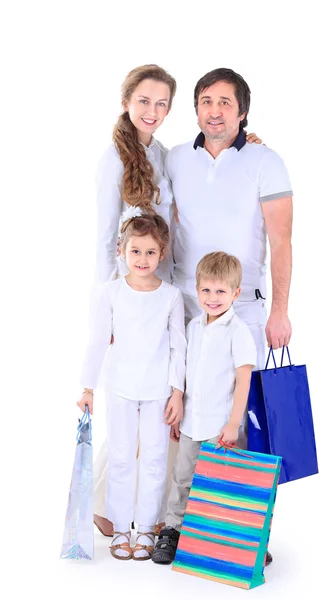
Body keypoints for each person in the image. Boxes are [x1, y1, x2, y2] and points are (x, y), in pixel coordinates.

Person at [92, 64, 262, 537]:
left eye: (161, 103)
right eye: (144, 101)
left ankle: (170, 513)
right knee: (140, 399)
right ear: (127, 101)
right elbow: (105, 238)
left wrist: (250, 143)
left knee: (174, 403)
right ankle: (109, 505)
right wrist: (108, 308)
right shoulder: (115, 159)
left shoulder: (166, 155)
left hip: (179, 296)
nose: (152, 111)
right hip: (134, 301)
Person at [154, 67, 293, 566]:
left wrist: (279, 311)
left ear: (242, 112)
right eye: (206, 101)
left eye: (225, 103)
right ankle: (177, 522)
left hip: (248, 310)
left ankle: (245, 527)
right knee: (185, 421)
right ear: (196, 109)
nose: (214, 111)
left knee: (243, 423)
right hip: (186, 309)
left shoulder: (265, 160)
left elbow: (281, 241)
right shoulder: (176, 160)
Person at [78, 211, 187, 560]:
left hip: (158, 392)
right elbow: (97, 341)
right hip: (121, 387)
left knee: (155, 459)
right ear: (122, 250)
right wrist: (87, 387)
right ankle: (121, 528)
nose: (142, 259)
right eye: (135, 251)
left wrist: (177, 391)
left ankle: (146, 529)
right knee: (123, 457)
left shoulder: (170, 296)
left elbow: (178, 348)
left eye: (150, 252)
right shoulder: (109, 293)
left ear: (163, 252)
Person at [152, 252, 259, 565]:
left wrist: (233, 423)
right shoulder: (194, 327)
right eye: (206, 291)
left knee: (219, 484)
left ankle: (229, 538)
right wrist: (180, 413)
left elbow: (244, 382)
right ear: (196, 290)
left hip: (219, 426)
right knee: (182, 478)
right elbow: (188, 374)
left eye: (221, 292)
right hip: (191, 424)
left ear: (235, 294)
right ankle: (173, 530)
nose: (213, 298)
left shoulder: (237, 332)